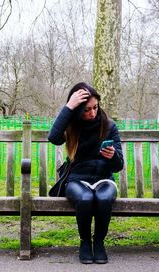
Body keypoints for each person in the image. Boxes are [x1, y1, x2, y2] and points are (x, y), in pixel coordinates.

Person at [48, 82, 124, 264]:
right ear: (77, 110)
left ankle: (99, 243)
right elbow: (53, 138)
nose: (92, 113)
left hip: (104, 179)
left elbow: (118, 165)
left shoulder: (109, 126)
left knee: (103, 198)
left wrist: (112, 156)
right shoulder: (71, 126)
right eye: (86, 109)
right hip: (77, 180)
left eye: (95, 107)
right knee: (85, 199)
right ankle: (85, 242)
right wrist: (68, 107)